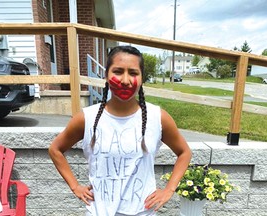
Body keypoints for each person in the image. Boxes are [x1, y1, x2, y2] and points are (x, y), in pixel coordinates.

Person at [48, 45, 192, 216]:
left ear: (142, 77)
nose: (125, 80)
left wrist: (169, 190)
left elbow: (184, 152)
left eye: (133, 73)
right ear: (106, 76)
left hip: (142, 213)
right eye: (118, 71)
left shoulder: (157, 117)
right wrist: (75, 187)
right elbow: (55, 149)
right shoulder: (86, 118)